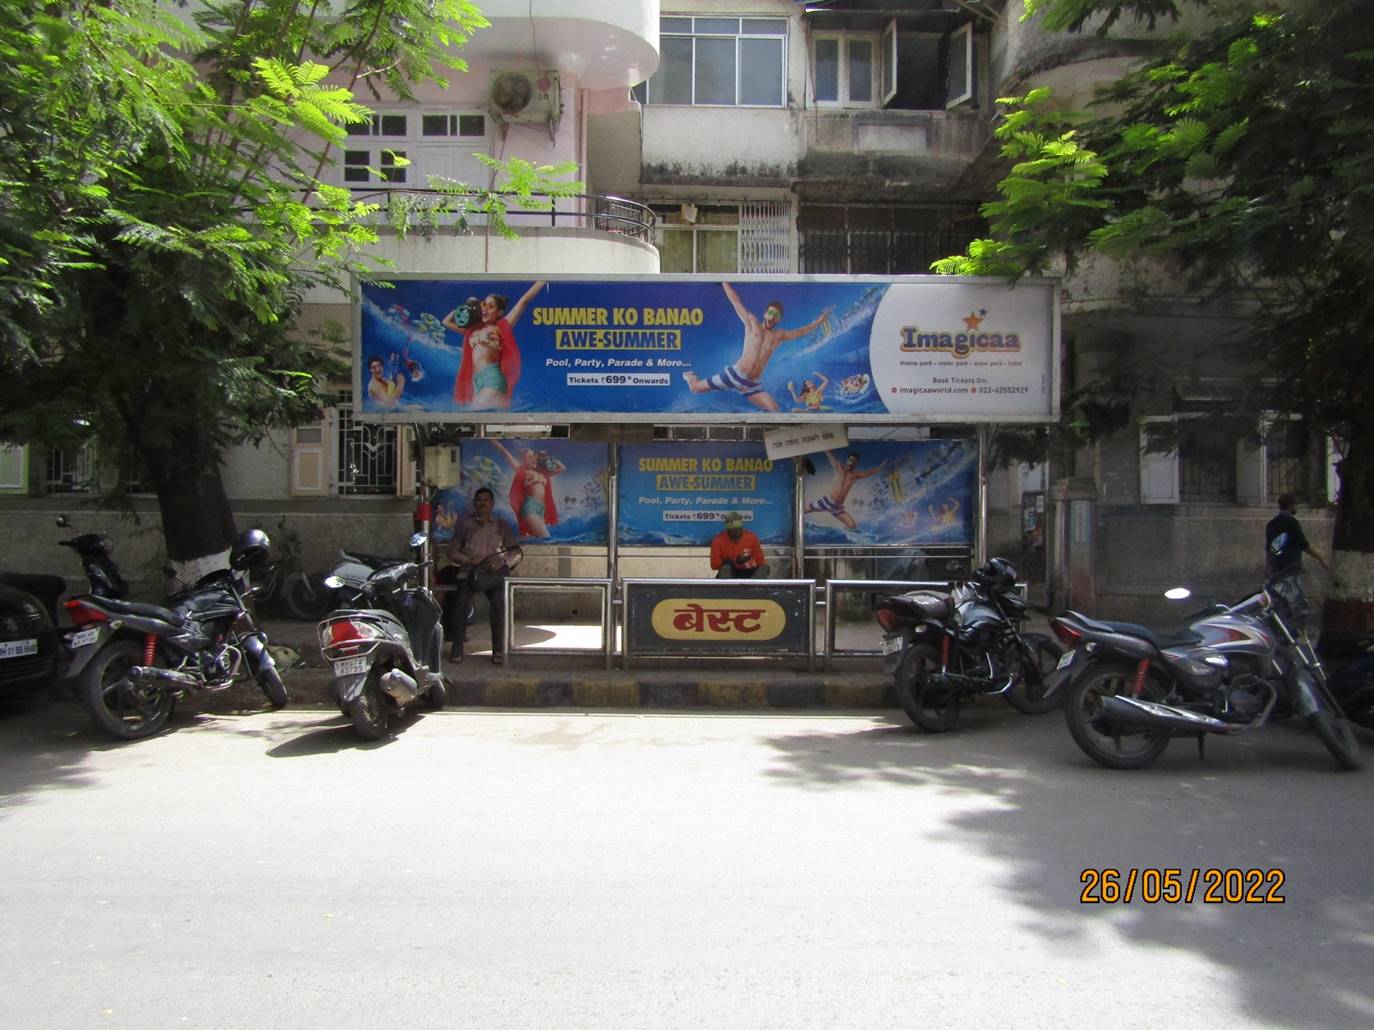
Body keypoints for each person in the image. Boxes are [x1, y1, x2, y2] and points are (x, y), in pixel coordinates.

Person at [683, 283, 833, 412]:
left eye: (777, 316)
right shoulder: (752, 323)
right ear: (765, 314)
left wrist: (818, 321)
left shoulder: (779, 335)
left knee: (775, 410)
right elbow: (736, 302)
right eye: (770, 313)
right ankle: (691, 377)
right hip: (734, 375)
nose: (772, 318)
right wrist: (724, 282)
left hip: (751, 385)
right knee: (695, 388)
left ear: (779, 319)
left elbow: (800, 332)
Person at [443, 486, 517, 664]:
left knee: (499, 606)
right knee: (461, 605)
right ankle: (457, 648)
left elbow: (515, 551)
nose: (482, 503)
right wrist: (468, 559)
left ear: (492, 503)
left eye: (486, 500)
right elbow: (452, 551)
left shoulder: (502, 525)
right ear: (475, 503)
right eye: (479, 500)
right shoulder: (465, 525)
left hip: (493, 574)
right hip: (471, 572)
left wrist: (502, 561)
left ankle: (498, 650)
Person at [447, 280, 545, 410]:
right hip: (477, 382)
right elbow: (447, 321)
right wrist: (467, 307)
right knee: (478, 416)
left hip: (492, 378)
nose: (485, 308)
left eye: (491, 306)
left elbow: (524, 301)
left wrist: (544, 279)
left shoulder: (500, 327)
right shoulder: (472, 331)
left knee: (475, 413)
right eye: (484, 305)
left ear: (499, 312)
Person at [1265, 493, 1328, 620]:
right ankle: (1297, 631)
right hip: (1291, 567)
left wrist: (1268, 566)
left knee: (1280, 600)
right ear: (1291, 506)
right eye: (1295, 505)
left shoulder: (1271, 524)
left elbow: (1269, 548)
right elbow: (1303, 544)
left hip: (1277, 569)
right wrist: (1320, 558)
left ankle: (1282, 624)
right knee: (1297, 603)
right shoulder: (1292, 523)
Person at [492, 439, 565, 538]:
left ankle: (517, 546)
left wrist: (547, 457)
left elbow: (562, 468)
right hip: (530, 507)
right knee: (545, 538)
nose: (534, 458)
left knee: (533, 539)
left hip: (541, 509)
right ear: (523, 460)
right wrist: (490, 438)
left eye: (534, 456)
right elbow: (505, 453)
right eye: (530, 457)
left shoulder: (542, 472)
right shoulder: (522, 470)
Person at [805, 450, 888, 531]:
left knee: (852, 525)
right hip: (826, 502)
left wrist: (880, 466)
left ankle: (839, 532)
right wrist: (827, 447)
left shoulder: (855, 475)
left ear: (856, 464)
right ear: (847, 460)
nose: (852, 463)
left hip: (837, 507)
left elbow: (869, 473)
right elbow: (830, 455)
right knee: (803, 511)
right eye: (851, 460)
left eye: (854, 462)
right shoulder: (839, 467)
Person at [709, 511, 769, 579]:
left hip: (748, 571)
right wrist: (736, 561)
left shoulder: (751, 538)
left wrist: (750, 561)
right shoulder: (718, 540)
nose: (737, 532)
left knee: (764, 568)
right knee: (727, 564)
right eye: (733, 530)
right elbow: (714, 565)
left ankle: (753, 585)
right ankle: (727, 586)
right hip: (729, 573)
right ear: (728, 529)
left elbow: (760, 561)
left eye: (739, 529)